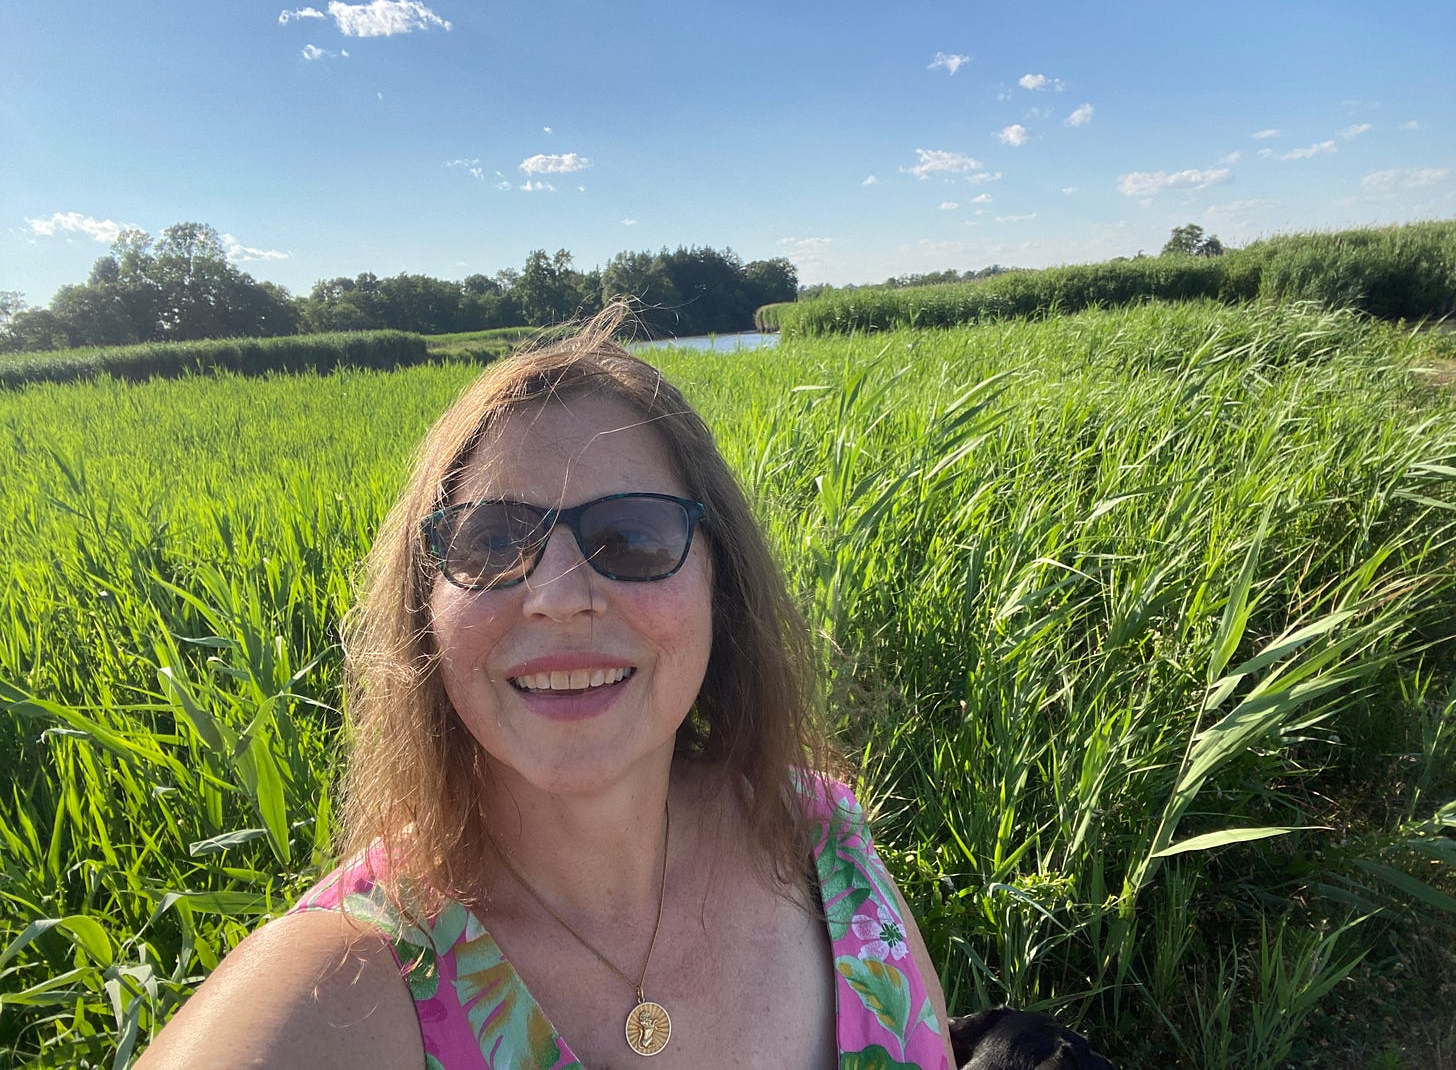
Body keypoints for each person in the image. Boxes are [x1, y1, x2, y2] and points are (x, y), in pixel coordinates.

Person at [137, 305, 956, 1069]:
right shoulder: (348, 978)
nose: (561, 596)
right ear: (427, 611)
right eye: (491, 540)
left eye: (631, 535)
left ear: (722, 586)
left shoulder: (822, 842)